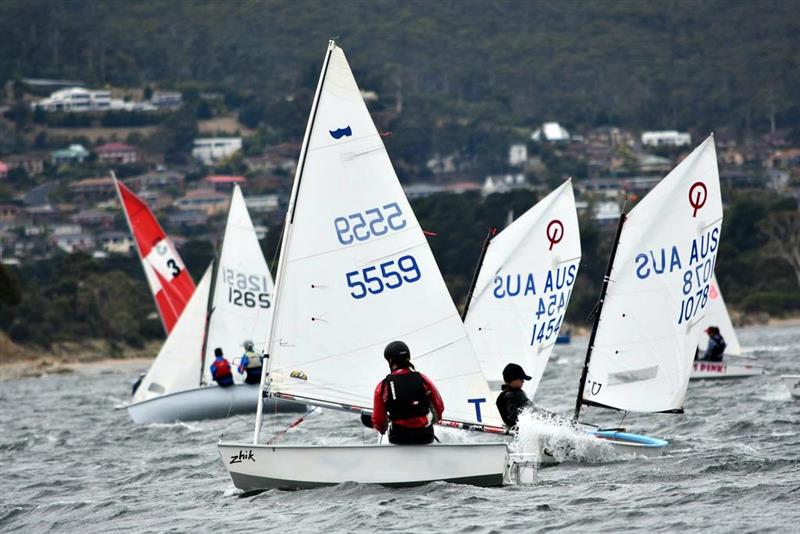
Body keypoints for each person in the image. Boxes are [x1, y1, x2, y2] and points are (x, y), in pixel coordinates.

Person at [372, 341, 444, 445]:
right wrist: (430, 421)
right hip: (425, 437)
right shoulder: (423, 380)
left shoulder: (383, 386)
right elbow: (439, 407)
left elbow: (378, 420)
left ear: (390, 360)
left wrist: (383, 429)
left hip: (398, 438)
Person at [495, 363, 533, 429]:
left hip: (534, 419)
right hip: (524, 427)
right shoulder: (510, 395)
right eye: (521, 379)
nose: (523, 381)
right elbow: (512, 418)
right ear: (512, 380)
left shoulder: (514, 393)